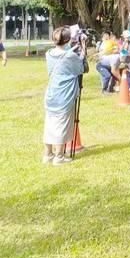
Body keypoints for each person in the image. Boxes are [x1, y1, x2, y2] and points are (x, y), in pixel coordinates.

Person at [42, 27, 85, 165]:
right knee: (62, 125)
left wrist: (73, 47)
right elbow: (81, 68)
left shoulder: (49, 54)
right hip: (64, 95)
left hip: (51, 93)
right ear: (67, 40)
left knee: (50, 124)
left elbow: (62, 57)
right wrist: (83, 47)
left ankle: (48, 154)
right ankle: (59, 156)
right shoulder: (70, 56)